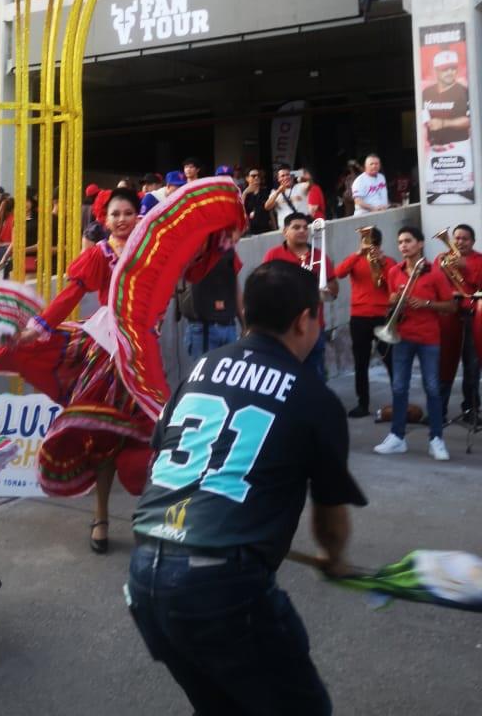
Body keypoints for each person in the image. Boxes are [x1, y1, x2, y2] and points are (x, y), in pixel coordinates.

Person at [128, 260, 366, 716]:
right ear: (305, 319)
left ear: (244, 311)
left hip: (145, 575)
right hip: (222, 588)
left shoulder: (200, 371)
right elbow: (330, 519)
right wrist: (335, 559)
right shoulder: (314, 398)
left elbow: (158, 461)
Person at [0, 187, 149, 554]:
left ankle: (147, 515)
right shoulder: (101, 254)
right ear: (104, 219)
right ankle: (101, 515)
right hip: (106, 354)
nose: (121, 220)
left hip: (143, 355)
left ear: (139, 216)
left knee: (144, 435)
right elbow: (70, 296)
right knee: (103, 433)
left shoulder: (152, 252)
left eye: (127, 213)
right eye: (114, 214)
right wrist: (35, 329)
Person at [374, 225, 456, 461]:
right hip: (402, 336)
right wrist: (392, 301)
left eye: (408, 241)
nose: (403, 246)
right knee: (399, 387)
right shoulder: (394, 272)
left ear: (420, 244)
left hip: (429, 338)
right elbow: (393, 307)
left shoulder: (436, 274)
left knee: (432, 388)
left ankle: (436, 439)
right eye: (400, 242)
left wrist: (427, 304)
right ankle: (397, 437)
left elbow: (451, 306)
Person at [263, 213, 338, 380]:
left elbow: (334, 288)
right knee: (283, 376)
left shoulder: (319, 255)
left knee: (315, 376)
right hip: (283, 328)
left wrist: (325, 289)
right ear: (285, 232)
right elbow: (264, 288)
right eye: (296, 227)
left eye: (305, 227)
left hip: (313, 327)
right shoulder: (273, 255)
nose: (302, 231)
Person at [334, 227, 395, 417]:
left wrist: (383, 263)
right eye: (366, 241)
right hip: (359, 317)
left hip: (382, 316)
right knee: (361, 363)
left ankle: (400, 401)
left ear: (379, 244)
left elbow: (395, 282)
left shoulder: (389, 262)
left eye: (373, 242)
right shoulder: (355, 259)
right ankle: (363, 404)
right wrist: (357, 254)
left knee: (391, 361)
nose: (370, 245)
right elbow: (339, 272)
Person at [434, 223, 482, 423]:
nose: (460, 242)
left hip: (472, 315)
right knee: (445, 363)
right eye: (457, 238)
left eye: (465, 238)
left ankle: (471, 410)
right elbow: (435, 282)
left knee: (472, 366)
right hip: (449, 315)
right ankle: (439, 411)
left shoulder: (479, 260)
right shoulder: (442, 259)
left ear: (473, 241)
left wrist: (466, 268)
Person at [177, 243, 242, 359]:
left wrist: (245, 325)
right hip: (203, 327)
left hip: (228, 325)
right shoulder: (191, 247)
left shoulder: (229, 251)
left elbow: (236, 288)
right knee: (205, 375)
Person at [241, 166, 272, 234]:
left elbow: (270, 210)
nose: (257, 177)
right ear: (247, 178)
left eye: (258, 175)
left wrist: (274, 226)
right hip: (250, 229)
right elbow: (240, 211)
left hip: (266, 227)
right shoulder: (243, 193)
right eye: (253, 176)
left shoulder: (265, 191)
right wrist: (244, 194)